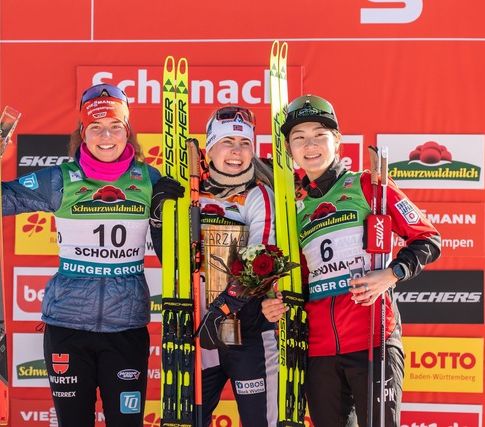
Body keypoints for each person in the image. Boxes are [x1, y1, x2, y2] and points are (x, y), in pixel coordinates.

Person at [0, 83, 183, 427]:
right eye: (96, 128)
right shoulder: (61, 180)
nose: (106, 136)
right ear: (83, 134)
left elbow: (174, 253)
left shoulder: (148, 179)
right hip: (67, 325)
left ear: (127, 132)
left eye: (115, 126)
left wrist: (165, 213)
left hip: (125, 328)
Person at [261, 95, 441, 427]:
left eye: (319, 134)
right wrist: (277, 302)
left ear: (337, 141)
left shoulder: (366, 185)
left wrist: (391, 273)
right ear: (289, 148)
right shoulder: (295, 212)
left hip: (372, 337)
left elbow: (427, 238)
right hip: (319, 349)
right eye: (299, 137)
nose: (310, 144)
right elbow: (299, 281)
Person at [150, 105, 279, 426]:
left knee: (261, 421)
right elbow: (173, 261)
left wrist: (222, 309)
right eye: (227, 142)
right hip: (195, 328)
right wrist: (157, 219)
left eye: (245, 143)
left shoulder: (259, 194)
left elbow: (263, 259)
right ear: (209, 147)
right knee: (189, 420)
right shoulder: (190, 192)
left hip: (246, 329)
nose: (236, 151)